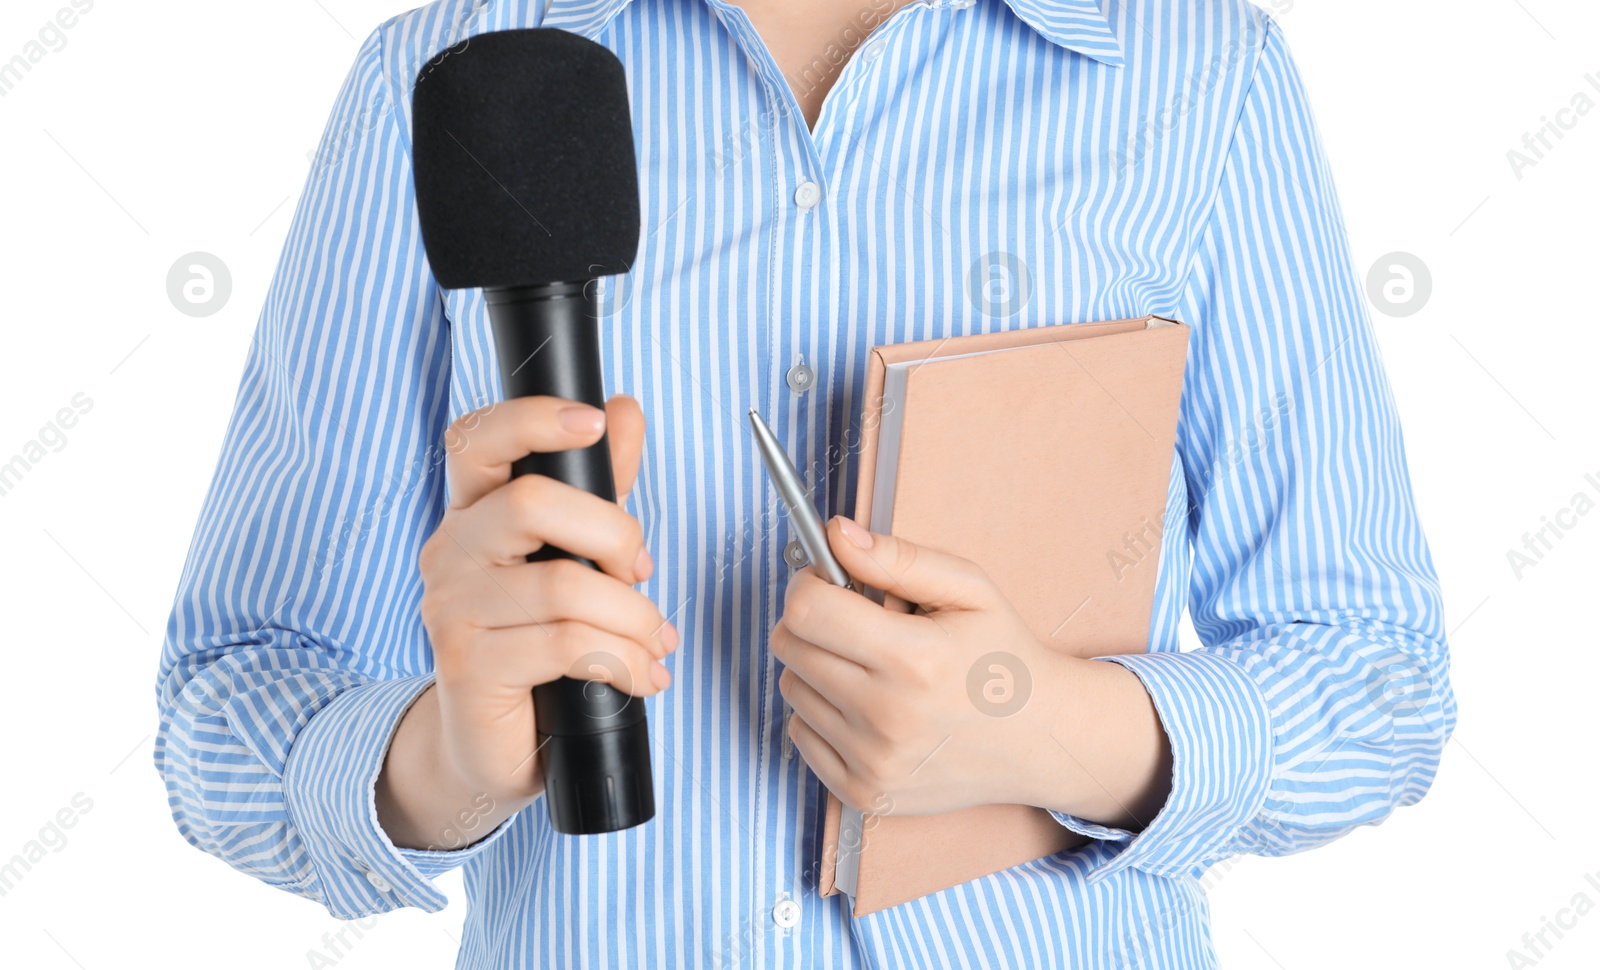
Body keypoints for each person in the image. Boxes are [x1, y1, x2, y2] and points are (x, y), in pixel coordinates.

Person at [153, 0, 1456, 965]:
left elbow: (1378, 669)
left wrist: (1048, 726)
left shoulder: (1199, 77)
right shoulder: (454, 76)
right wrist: (438, 760)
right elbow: (227, 698)